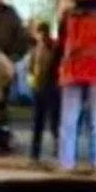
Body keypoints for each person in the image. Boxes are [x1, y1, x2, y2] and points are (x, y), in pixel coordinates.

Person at [56, 0, 96, 174]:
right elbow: (61, 41)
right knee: (69, 119)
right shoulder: (68, 12)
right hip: (72, 68)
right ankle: (66, 163)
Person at [28, 21, 61, 163]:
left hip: (51, 87)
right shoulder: (34, 49)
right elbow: (31, 68)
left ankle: (57, 146)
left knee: (53, 120)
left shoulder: (52, 48)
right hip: (39, 87)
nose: (39, 36)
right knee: (38, 121)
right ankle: (35, 153)